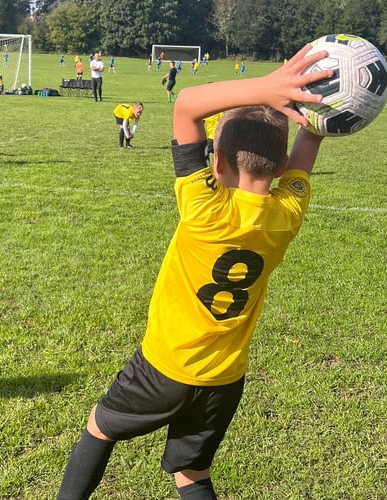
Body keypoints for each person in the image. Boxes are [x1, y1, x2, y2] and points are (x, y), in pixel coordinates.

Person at [57, 42, 332, 500]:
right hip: (224, 379)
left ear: (216, 160)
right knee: (191, 474)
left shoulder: (203, 207)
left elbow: (186, 105)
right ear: (282, 168)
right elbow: (307, 146)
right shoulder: (287, 213)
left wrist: (268, 88)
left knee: (99, 427)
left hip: (165, 366)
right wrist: (321, 120)